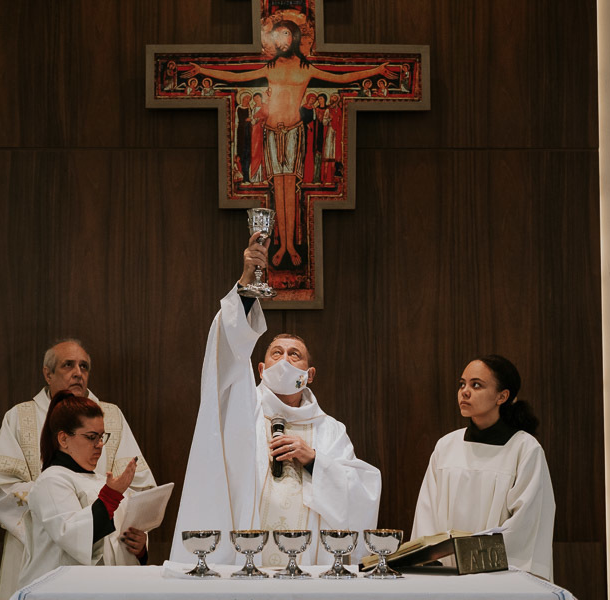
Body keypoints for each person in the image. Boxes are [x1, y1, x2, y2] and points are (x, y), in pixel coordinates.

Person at [170, 233, 381, 567]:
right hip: (245, 564)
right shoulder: (242, 412)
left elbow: (363, 492)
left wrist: (314, 461)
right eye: (276, 352)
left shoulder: (329, 431)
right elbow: (226, 352)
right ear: (260, 367)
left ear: (309, 374)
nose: (284, 359)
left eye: (294, 354)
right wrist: (246, 285)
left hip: (311, 567)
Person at [184, 20, 393, 268]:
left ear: (293, 38)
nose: (279, 40)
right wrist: (203, 71)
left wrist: (376, 71)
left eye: (284, 35)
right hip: (271, 132)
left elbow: (343, 77)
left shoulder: (306, 69)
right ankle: (280, 244)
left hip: (294, 132)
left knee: (290, 191)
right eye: (275, 36)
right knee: (277, 191)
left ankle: (289, 245)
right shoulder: (270, 68)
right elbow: (235, 76)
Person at [0, 339, 156, 600]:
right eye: (68, 365)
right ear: (48, 373)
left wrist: (136, 538)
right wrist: (51, 512)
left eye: (84, 366)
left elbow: (135, 489)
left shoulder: (111, 416)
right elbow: (2, 488)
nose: (78, 372)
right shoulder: (20, 418)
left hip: (102, 553)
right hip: (43, 553)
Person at [411, 355, 555, 580]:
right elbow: (426, 515)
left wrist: (471, 562)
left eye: (476, 385)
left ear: (502, 396)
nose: (464, 392)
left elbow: (527, 525)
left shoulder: (524, 449)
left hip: (498, 579)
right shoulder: (446, 446)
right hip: (445, 578)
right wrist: (433, 566)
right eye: (462, 384)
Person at [17, 391, 142, 588]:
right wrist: (110, 498)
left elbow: (115, 543)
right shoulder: (51, 481)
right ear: (63, 439)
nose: (100, 445)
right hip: (59, 590)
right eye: (92, 437)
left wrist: (139, 546)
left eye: (101, 437)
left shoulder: (103, 482)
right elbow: (74, 537)